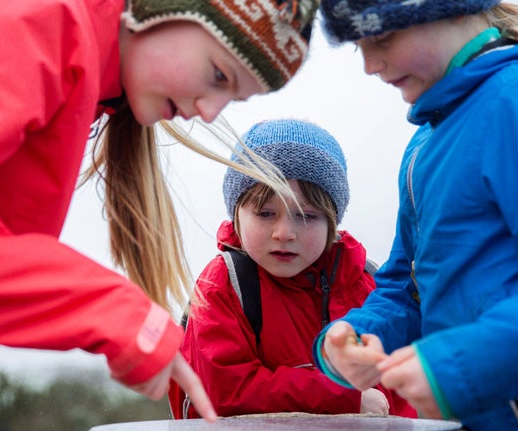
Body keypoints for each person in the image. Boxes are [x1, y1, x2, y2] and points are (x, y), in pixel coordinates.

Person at [0, 0, 321, 420]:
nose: (209, 112)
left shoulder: (75, 60)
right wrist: (118, 316)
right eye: (219, 76)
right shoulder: (23, 19)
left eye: (233, 99)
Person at [311, 1, 518, 430]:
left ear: (456, 10)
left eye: (382, 37)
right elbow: (407, 289)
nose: (369, 65)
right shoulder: (425, 146)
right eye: (358, 47)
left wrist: (458, 364)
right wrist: (353, 336)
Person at [168, 118, 417, 419]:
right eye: (265, 213)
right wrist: (342, 399)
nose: (284, 232)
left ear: (332, 222)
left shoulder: (366, 284)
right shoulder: (223, 286)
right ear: (237, 214)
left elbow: (400, 389)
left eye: (306, 216)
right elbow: (225, 391)